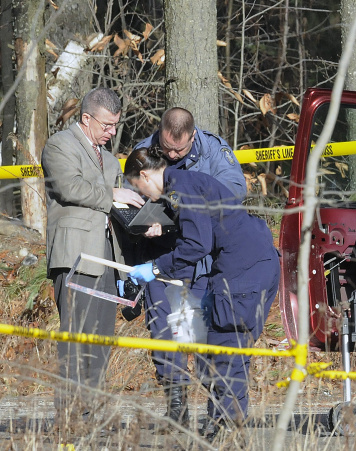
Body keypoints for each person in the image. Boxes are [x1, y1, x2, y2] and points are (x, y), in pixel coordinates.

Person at [123, 145, 277, 442]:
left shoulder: (181, 188)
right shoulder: (186, 183)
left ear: (144, 175)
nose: (141, 193)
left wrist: (154, 269)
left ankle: (225, 429)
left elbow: (197, 245)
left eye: (137, 186)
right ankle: (225, 426)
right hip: (254, 263)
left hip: (242, 270)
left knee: (225, 347)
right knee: (228, 348)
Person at [133, 107, 246, 425]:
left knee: (205, 335)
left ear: (192, 137)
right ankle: (177, 406)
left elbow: (237, 189)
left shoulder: (212, 149)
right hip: (159, 256)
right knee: (164, 333)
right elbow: (130, 195)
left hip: (202, 260)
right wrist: (144, 219)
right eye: (167, 147)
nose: (171, 154)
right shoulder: (143, 150)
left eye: (179, 150)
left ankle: (217, 413)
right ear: (160, 133)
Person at [41, 87, 145, 429]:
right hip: (74, 255)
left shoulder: (111, 160)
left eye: (115, 125)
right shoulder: (59, 146)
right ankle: (68, 416)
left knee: (100, 337)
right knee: (76, 337)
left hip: (106, 258)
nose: (112, 132)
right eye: (107, 125)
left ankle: (92, 413)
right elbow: (69, 188)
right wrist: (113, 193)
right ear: (86, 119)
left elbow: (119, 207)